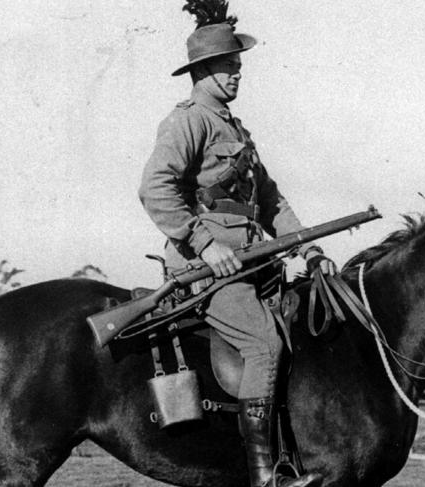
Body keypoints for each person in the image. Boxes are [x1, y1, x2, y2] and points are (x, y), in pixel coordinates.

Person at [139, 5, 334, 487]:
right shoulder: (187, 123)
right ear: (201, 70)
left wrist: (308, 248)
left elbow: (269, 200)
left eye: (238, 67)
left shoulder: (237, 131)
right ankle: (263, 476)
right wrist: (204, 245)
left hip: (251, 266)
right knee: (264, 344)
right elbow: (155, 187)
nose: (235, 75)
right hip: (208, 270)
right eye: (227, 66)